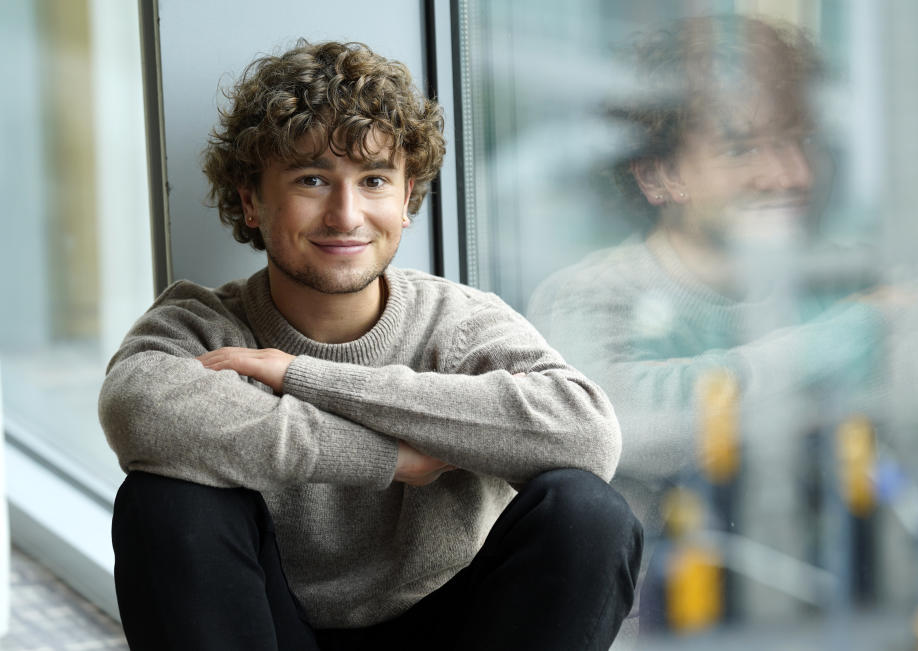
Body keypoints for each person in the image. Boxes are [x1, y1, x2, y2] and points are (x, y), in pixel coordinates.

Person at [99, 40, 642, 650]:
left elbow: (587, 433)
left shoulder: (458, 323)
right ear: (251, 200)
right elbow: (137, 409)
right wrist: (389, 458)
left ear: (407, 200)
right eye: (311, 180)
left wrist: (304, 375)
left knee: (588, 514)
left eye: (375, 180)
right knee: (163, 499)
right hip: (264, 627)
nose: (346, 215)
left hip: (450, 626)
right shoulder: (204, 325)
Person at [528, 14, 918, 624]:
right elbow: (620, 422)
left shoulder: (842, 275)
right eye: (743, 147)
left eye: (798, 141)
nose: (790, 175)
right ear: (660, 173)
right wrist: (848, 337)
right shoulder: (592, 296)